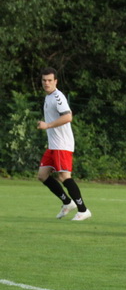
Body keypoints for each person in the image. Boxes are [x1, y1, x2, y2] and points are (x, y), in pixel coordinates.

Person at [37, 68, 91, 221]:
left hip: (62, 144)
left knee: (64, 176)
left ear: (56, 81)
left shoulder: (58, 97)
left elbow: (68, 117)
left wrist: (47, 125)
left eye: (50, 80)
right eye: (44, 80)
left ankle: (83, 210)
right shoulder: (48, 96)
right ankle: (67, 202)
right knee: (42, 175)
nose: (46, 83)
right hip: (53, 145)